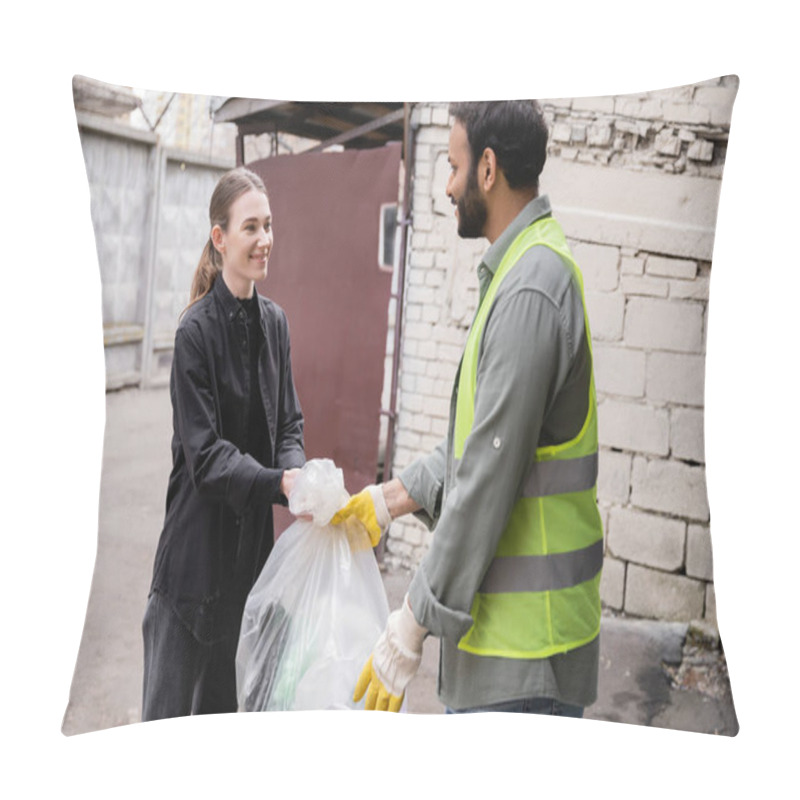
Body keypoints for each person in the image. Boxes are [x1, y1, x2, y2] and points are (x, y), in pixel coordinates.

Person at [333, 101, 604, 716]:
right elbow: (479, 444)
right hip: (514, 643)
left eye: (453, 167)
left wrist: (412, 622)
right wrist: (393, 497)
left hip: (528, 652)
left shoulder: (531, 285)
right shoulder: (516, 270)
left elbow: (486, 477)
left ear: (487, 168)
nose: (448, 186)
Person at [142, 167, 306, 720]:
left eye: (269, 226)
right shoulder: (194, 334)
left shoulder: (276, 325)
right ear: (220, 239)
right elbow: (207, 459)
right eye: (251, 228)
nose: (265, 240)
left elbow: (288, 425)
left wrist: (299, 473)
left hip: (245, 575)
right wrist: (277, 484)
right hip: (189, 578)